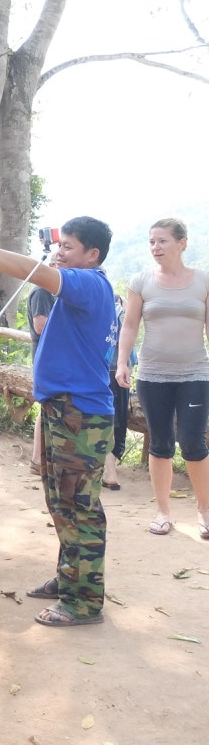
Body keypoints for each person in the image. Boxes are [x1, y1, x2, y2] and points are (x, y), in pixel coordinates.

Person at [0, 216, 116, 627]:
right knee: (61, 501)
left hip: (80, 413)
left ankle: (84, 602)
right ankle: (70, 577)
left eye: (69, 247)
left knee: (79, 507)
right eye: (60, 245)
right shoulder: (82, 287)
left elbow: (30, 270)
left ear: (92, 255)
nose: (59, 252)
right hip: (65, 409)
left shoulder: (89, 283)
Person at [114, 218, 209, 539]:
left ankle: (205, 510)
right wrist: (122, 362)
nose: (155, 247)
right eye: (152, 241)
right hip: (153, 375)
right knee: (161, 443)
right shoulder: (141, 281)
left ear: (182, 243)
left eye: (162, 241)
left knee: (193, 441)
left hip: (195, 374)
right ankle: (163, 512)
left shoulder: (203, 281)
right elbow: (130, 325)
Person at [27, 254, 60, 474]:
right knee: (47, 407)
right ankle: (38, 460)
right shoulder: (42, 291)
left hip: (52, 357)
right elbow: (41, 326)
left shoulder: (52, 292)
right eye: (58, 265)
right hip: (47, 358)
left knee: (49, 407)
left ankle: (42, 459)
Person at [103, 294, 134, 490]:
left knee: (105, 419)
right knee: (118, 421)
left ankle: (108, 472)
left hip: (102, 370)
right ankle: (110, 473)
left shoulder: (98, 309)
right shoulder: (122, 311)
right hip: (120, 371)